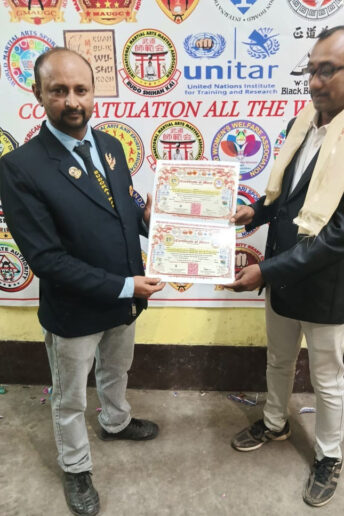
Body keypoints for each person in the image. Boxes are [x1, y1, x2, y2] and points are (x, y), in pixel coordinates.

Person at [226, 26, 344, 507]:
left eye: (328, 70)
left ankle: (328, 456)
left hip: (326, 286)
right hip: (283, 278)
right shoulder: (301, 123)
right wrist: (254, 212)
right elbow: (286, 195)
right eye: (311, 69)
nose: (315, 81)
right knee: (278, 360)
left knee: (327, 378)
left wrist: (267, 271)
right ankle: (275, 422)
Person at [0, 48, 165, 516]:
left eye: (81, 89)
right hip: (75, 310)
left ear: (94, 92)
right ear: (38, 94)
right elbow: (47, 259)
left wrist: (150, 221)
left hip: (124, 301)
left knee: (116, 371)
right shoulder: (20, 167)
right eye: (59, 91)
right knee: (69, 398)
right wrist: (126, 286)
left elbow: (121, 212)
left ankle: (116, 422)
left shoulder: (110, 145)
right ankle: (75, 466)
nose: (72, 101)